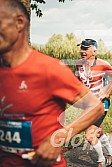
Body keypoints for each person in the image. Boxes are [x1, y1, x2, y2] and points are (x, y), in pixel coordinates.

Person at [0, 0, 104, 167]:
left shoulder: (49, 69)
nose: (82, 51)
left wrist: (60, 136)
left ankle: (104, 157)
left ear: (19, 23)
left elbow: (95, 106)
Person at [75, 39, 112, 167]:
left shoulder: (103, 64)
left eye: (86, 48)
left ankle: (101, 161)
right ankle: (111, 152)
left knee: (89, 134)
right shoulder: (78, 64)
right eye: (82, 48)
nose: (82, 51)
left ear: (94, 50)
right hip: (87, 104)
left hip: (101, 104)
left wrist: (107, 92)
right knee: (98, 131)